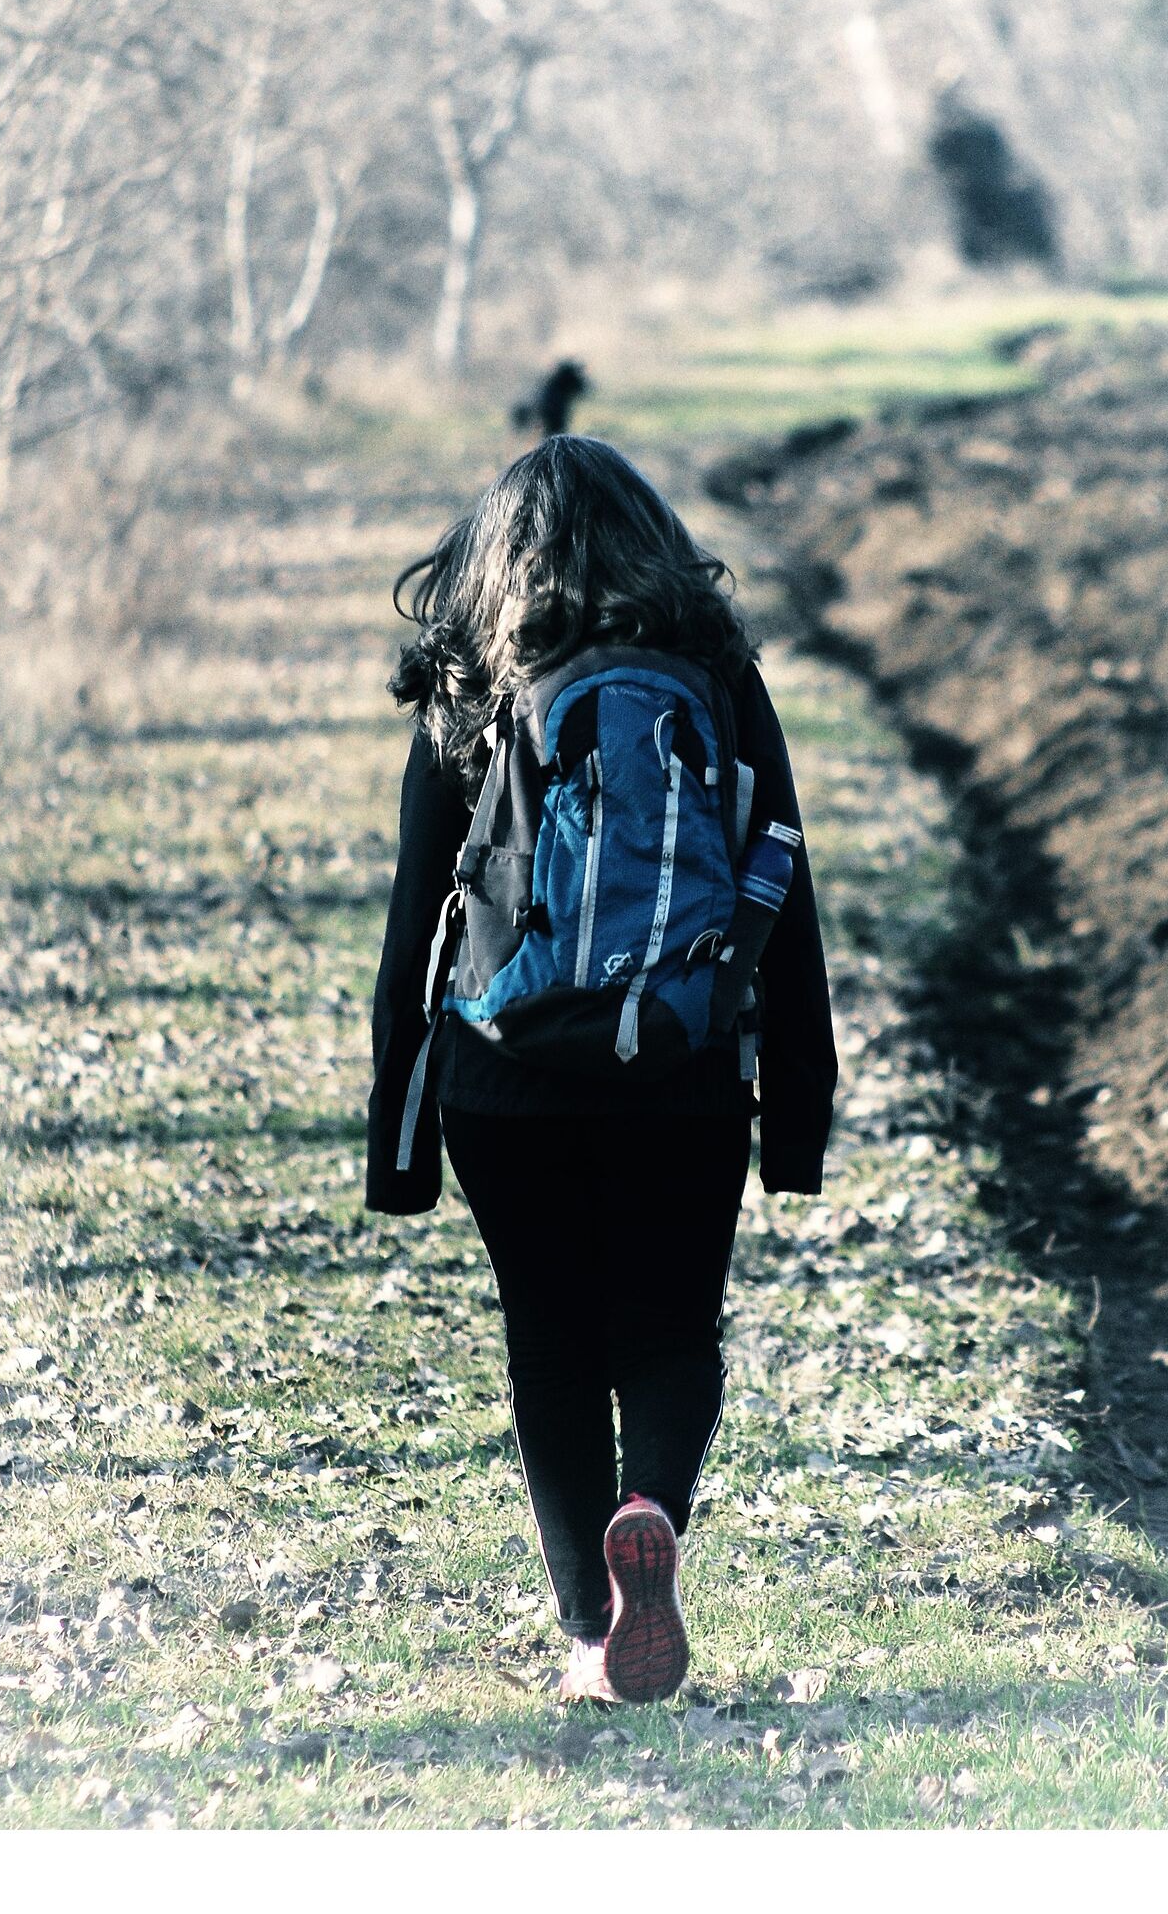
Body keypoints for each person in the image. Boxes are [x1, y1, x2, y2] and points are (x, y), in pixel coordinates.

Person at [366, 436, 837, 1703]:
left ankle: (590, 1636)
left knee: (551, 1343)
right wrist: (799, 1111)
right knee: (673, 1331)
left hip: (499, 1079)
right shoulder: (713, 675)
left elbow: (417, 926)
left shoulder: (471, 689)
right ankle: (654, 1515)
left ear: (491, 561)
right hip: (680, 1066)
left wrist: (397, 1145)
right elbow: (779, 889)